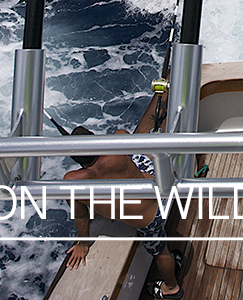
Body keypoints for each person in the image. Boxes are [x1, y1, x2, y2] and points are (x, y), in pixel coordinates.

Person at [62, 126, 184, 299]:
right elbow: (121, 135)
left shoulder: (71, 182)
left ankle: (171, 288)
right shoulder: (116, 151)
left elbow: (81, 216)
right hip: (163, 194)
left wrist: (83, 243)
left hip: (149, 219)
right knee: (124, 138)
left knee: (161, 253)